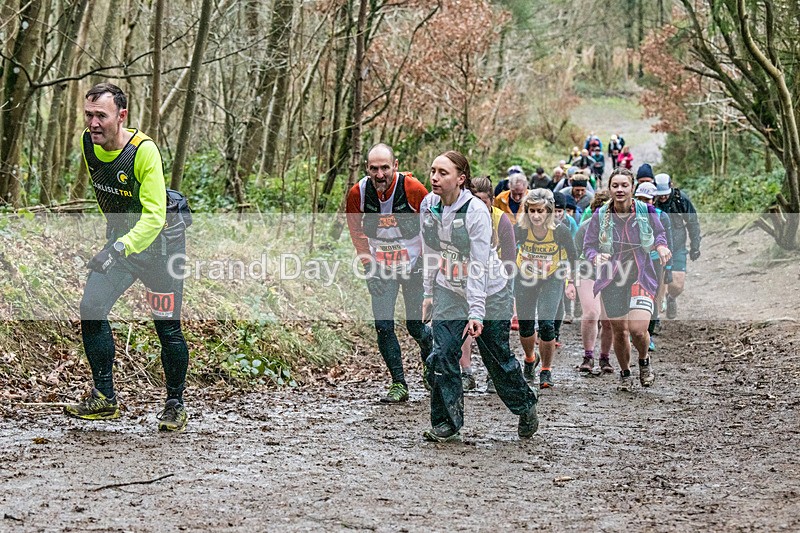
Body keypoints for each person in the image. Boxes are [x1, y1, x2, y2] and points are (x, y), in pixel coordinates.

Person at [65, 83, 191, 431]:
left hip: (162, 250)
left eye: (101, 116)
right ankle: (104, 397)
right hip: (123, 246)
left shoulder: (144, 152)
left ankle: (174, 404)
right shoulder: (88, 145)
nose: (93, 124)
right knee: (91, 307)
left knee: (167, 327)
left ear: (121, 116)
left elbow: (154, 217)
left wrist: (118, 246)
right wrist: (116, 241)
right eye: (88, 115)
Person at [420, 151, 538, 442]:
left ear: (461, 179)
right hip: (449, 288)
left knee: (496, 357)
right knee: (443, 352)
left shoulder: (475, 212)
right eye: (433, 171)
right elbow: (431, 251)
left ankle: (525, 405)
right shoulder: (428, 205)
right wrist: (428, 293)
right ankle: (447, 422)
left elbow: (479, 265)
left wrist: (475, 312)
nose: (435, 177)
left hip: (490, 292)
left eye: (443, 173)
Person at [346, 143, 433, 403]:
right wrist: (368, 266)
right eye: (374, 169)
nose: (380, 174)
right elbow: (356, 231)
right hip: (381, 266)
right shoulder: (358, 193)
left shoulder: (414, 190)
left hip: (414, 265)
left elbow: (431, 229)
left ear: (395, 166)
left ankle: (430, 359)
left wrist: (429, 268)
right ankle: (399, 384)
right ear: (367, 169)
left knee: (415, 326)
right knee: (383, 326)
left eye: (385, 167)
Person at [583, 167, 671, 391]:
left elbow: (659, 234)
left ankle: (643, 361)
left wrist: (661, 247)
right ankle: (625, 373)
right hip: (613, 280)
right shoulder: (600, 215)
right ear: (610, 188)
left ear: (632, 187)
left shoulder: (646, 210)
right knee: (620, 331)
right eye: (615, 185)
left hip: (641, 276)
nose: (620, 189)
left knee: (638, 329)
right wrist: (596, 256)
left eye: (624, 185)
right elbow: (588, 246)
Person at [458, 176, 516, 394]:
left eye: (484, 201)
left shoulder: (501, 221)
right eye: (475, 200)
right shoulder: (462, 216)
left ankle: (495, 374)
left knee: (494, 332)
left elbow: (510, 259)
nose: (479, 205)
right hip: (467, 278)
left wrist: (505, 290)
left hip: (495, 280)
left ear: (491, 201)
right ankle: (467, 373)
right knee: (466, 325)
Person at [514, 188, 578, 389]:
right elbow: (506, 249)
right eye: (532, 211)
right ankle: (530, 358)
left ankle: (546, 371)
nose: (536, 216)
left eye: (540, 211)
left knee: (546, 323)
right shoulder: (522, 229)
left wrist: (572, 282)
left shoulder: (560, 231)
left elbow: (574, 257)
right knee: (525, 325)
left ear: (548, 211)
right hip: (525, 276)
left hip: (552, 277)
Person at [574, 191, 614, 373]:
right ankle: (588, 356)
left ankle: (605, 357)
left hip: (614, 275)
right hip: (587, 272)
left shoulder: (622, 228)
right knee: (591, 313)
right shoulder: (584, 228)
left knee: (609, 320)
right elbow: (574, 255)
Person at [653, 173, 701, 319]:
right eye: (659, 195)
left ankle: (671, 298)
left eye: (665, 195)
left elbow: (692, 222)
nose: (662, 198)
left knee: (678, 285)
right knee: (657, 284)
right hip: (657, 249)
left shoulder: (681, 200)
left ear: (671, 186)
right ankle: (655, 318)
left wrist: (695, 246)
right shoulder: (651, 202)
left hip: (678, 247)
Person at [635, 182, 674, 351]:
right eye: (640, 199)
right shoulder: (629, 214)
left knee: (653, 295)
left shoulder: (661, 216)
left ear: (654, 200)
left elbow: (667, 240)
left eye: (647, 200)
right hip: (634, 259)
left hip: (655, 260)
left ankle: (648, 334)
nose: (643, 203)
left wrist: (669, 268)